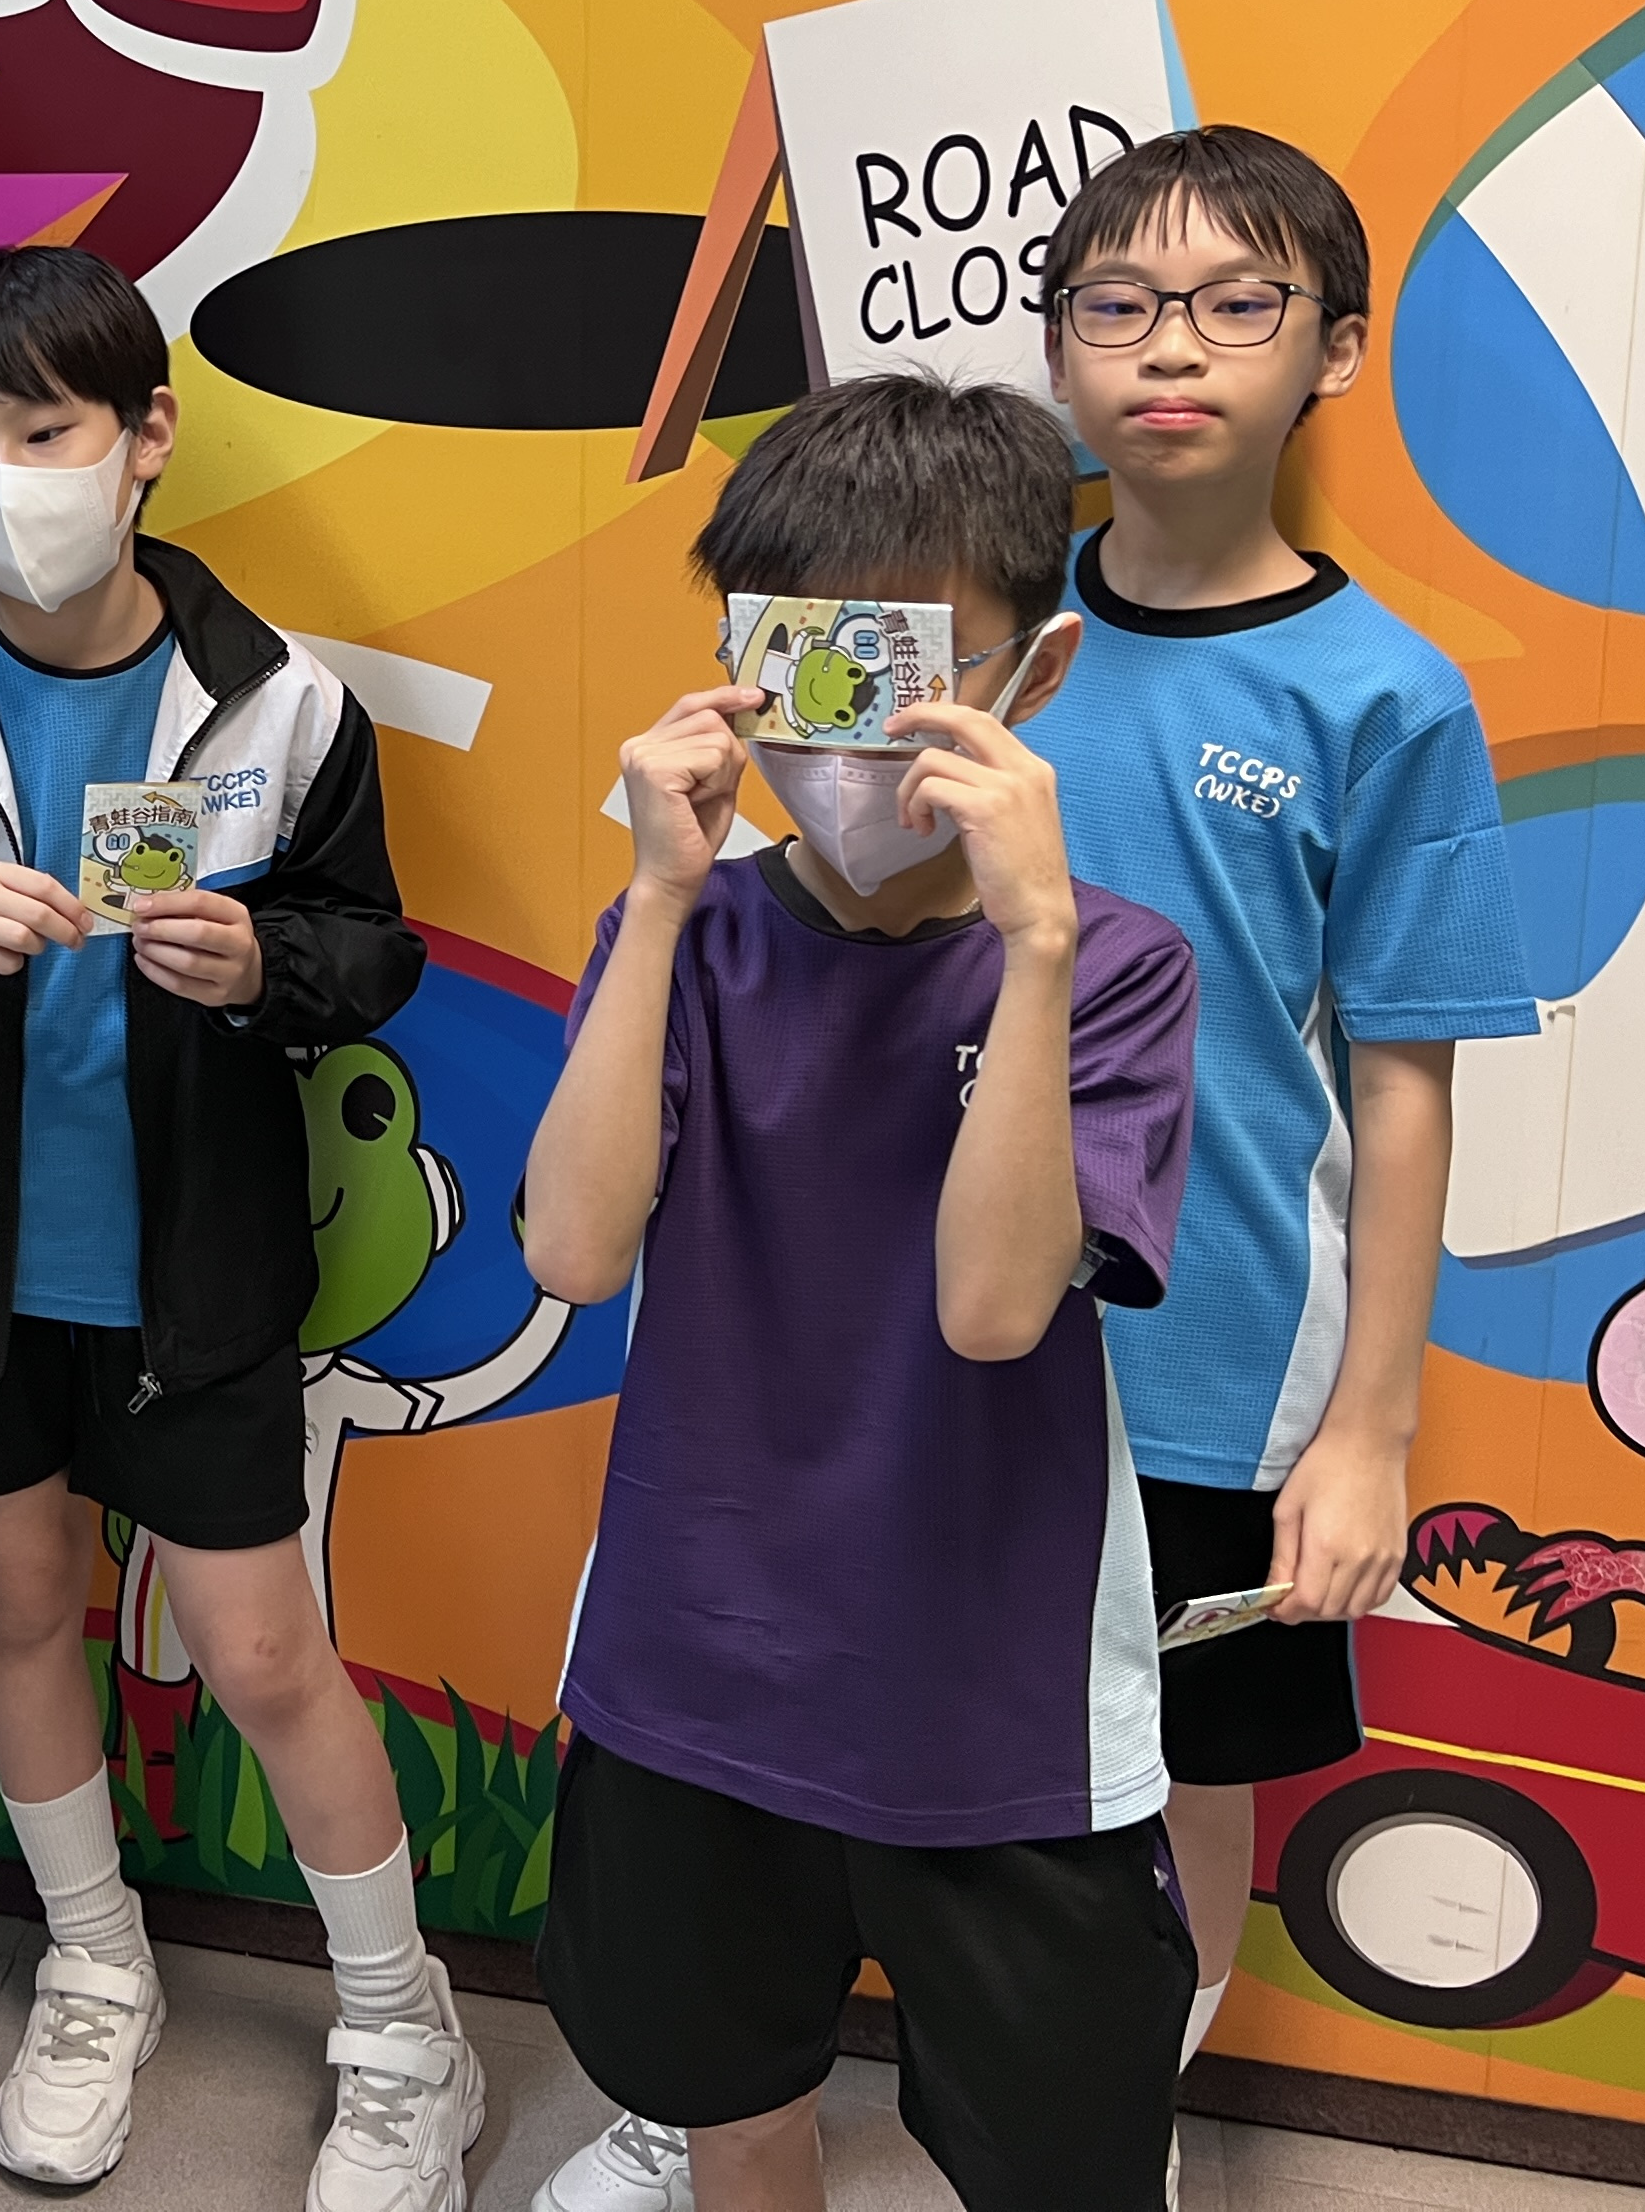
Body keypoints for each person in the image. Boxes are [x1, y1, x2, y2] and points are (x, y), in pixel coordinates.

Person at [0, 245, 467, 2212]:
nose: (5, 485)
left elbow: (371, 945)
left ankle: (402, 2024)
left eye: (46, 433)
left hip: (195, 1271)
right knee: (17, 1606)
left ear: (145, 432)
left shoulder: (281, 701)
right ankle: (96, 1965)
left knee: (262, 1650)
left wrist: (269, 964)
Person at [520, 372, 1199, 2212]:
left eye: (893, 670)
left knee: (1059, 2157)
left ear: (1030, 677)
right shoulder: (686, 936)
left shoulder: (1115, 970)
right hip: (697, 1660)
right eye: (790, 664)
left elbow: (994, 1309)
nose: (839, 735)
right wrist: (662, 902)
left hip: (998, 1696)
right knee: (725, 2098)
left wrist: (1036, 943)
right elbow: (571, 1253)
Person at [1036, 128, 1536, 2082]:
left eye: (1237, 303)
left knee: (1190, 1770)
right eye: (1119, 303)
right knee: (896, 1702)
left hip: (1216, 1358)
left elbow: (1404, 1094)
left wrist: (1369, 1434)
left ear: (1333, 348)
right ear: (1059, 350)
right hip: (942, 1322)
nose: (1173, 346)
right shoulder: (979, 628)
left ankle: (1125, 2119)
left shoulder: (1383, 696)